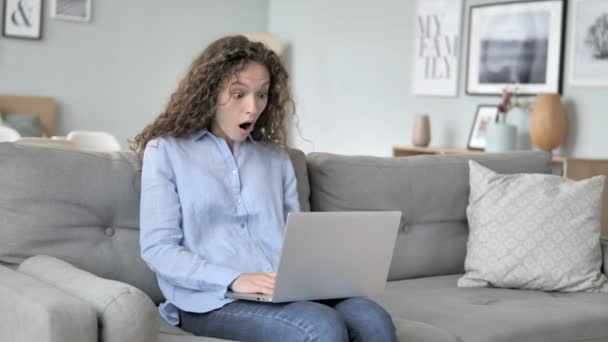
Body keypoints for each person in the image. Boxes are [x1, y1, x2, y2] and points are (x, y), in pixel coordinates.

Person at [131, 35, 397, 342]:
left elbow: (297, 242)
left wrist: (323, 275)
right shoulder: (166, 152)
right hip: (210, 300)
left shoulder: (276, 159)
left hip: (279, 290)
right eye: (239, 94)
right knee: (320, 326)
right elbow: (158, 249)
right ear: (209, 92)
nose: (252, 107)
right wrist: (234, 279)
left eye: (262, 95)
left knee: (373, 319)